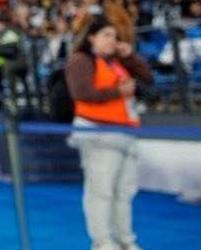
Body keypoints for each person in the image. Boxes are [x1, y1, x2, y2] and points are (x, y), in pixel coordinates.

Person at [65, 16, 153, 250]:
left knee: (124, 191)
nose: (112, 40)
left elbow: (147, 78)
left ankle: (125, 240)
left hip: (125, 130)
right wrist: (116, 91)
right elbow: (81, 92)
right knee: (100, 190)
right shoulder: (81, 60)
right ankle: (103, 241)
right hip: (97, 131)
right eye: (106, 35)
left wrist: (129, 55)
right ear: (91, 37)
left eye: (114, 36)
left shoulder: (117, 61)